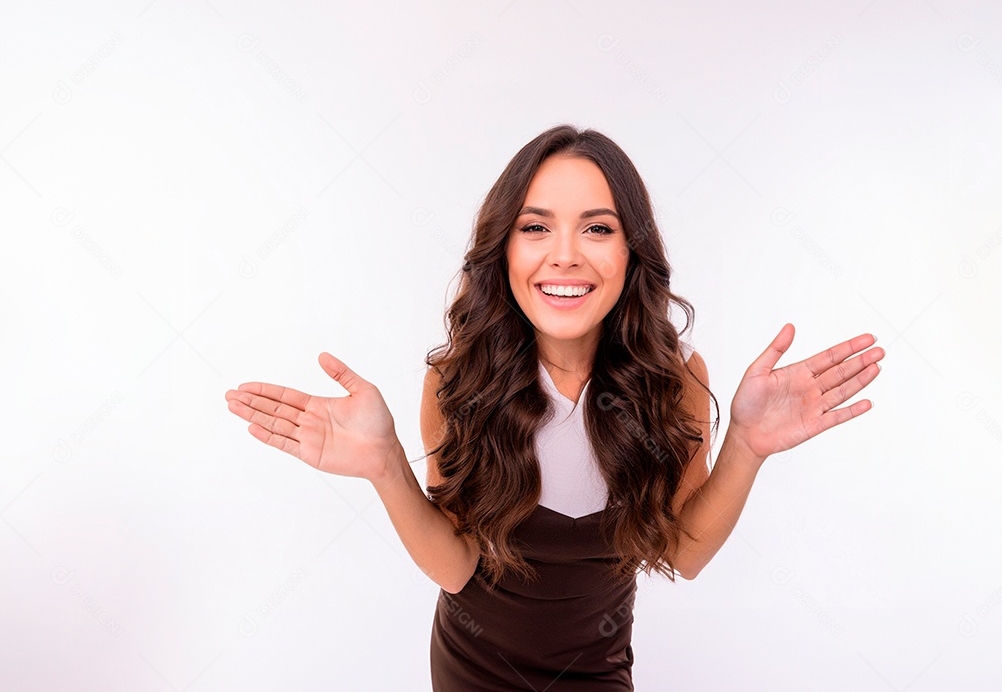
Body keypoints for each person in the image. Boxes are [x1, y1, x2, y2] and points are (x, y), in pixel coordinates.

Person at [224, 124, 885, 690]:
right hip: (471, 669)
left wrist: (744, 442)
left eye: (597, 227)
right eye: (535, 226)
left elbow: (683, 551)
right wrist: (386, 465)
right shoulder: (458, 380)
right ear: (504, 249)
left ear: (632, 252)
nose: (564, 254)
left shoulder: (674, 380)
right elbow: (456, 567)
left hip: (598, 671)